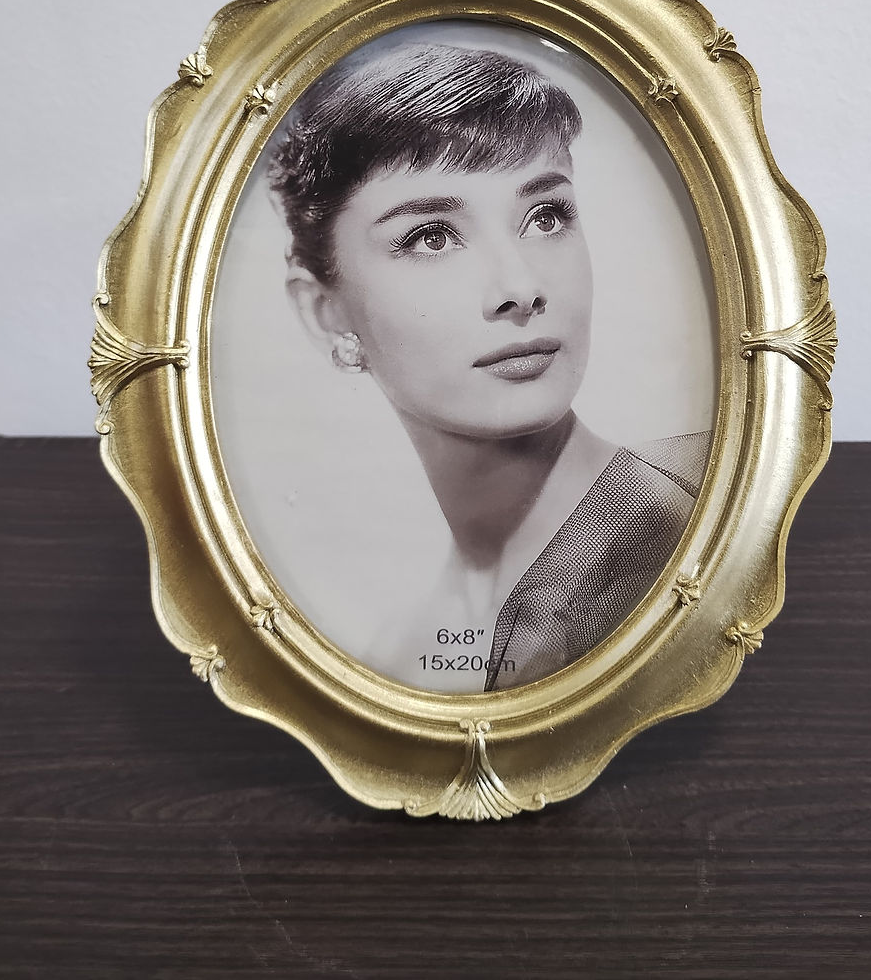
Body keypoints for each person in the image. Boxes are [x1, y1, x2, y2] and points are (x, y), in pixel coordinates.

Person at [269, 41, 709, 691]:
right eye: (431, 236)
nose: (520, 287)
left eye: (545, 216)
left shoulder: (685, 533)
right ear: (325, 311)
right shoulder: (401, 646)